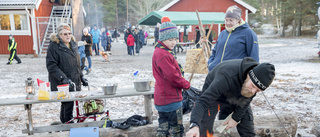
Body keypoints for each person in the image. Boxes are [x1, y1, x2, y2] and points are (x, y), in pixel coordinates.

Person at [186, 57, 275, 137]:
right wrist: (194, 125)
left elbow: (246, 101)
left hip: (237, 95)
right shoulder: (226, 77)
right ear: (248, 75)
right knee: (204, 129)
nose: (253, 91)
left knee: (247, 128)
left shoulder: (253, 86)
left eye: (258, 91)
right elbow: (202, 102)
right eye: (253, 86)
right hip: (215, 96)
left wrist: (235, 118)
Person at [152, 16, 190, 137]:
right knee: (176, 129)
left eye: (175, 39)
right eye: (170, 39)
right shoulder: (164, 54)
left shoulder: (161, 50)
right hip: (170, 99)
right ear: (163, 38)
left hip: (163, 98)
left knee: (163, 127)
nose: (174, 42)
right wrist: (186, 84)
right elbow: (173, 77)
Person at [46, 23, 89, 124]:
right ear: (59, 35)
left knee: (69, 103)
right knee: (67, 104)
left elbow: (76, 64)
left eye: (69, 33)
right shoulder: (54, 46)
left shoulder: (72, 44)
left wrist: (81, 77)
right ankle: (67, 126)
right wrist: (63, 78)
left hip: (74, 79)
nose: (68, 35)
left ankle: (65, 124)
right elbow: (51, 66)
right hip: (62, 82)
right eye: (65, 34)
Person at [207, 5, 259, 71]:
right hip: (216, 73)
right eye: (226, 20)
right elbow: (214, 51)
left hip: (234, 75)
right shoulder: (223, 33)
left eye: (231, 20)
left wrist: (250, 74)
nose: (228, 23)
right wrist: (211, 64)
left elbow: (253, 57)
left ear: (238, 20)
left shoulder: (248, 33)